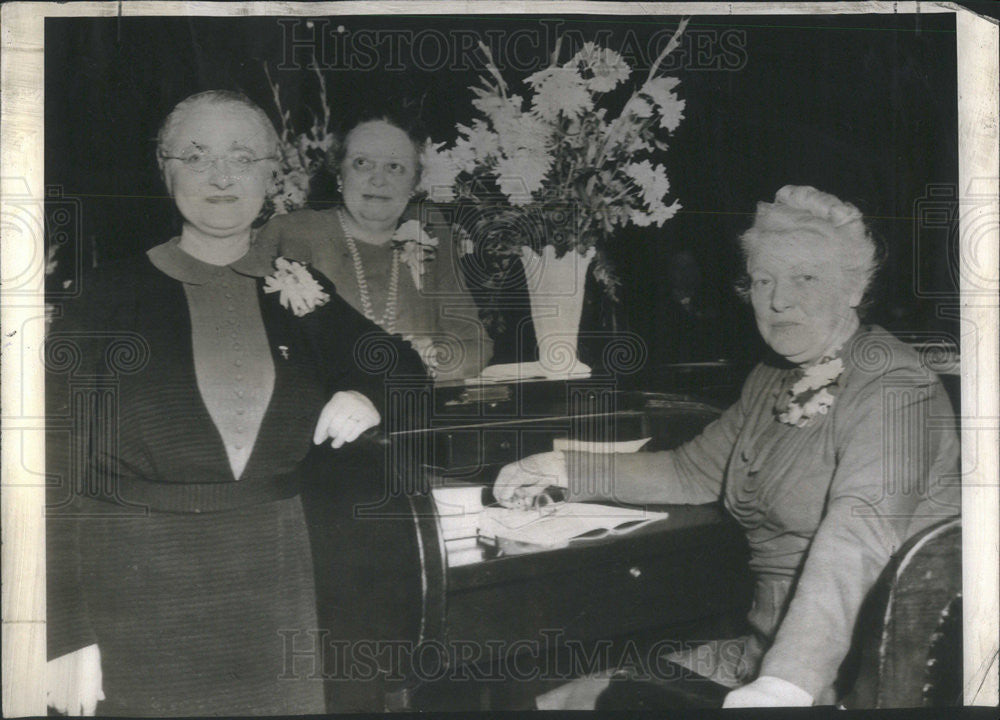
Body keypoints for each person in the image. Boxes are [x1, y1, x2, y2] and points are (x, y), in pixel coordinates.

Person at [494, 185, 960, 708]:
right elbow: (691, 471)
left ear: (853, 288)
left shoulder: (892, 383)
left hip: (856, 676)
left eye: (805, 277)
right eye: (764, 280)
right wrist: (561, 467)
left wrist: (785, 685)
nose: (779, 300)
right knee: (558, 702)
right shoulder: (772, 376)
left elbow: (860, 534)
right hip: (759, 652)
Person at [44, 90, 425, 716]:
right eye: (195, 156)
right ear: (164, 171)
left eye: (243, 157)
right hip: (139, 593)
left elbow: (405, 372)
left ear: (272, 173)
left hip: (280, 585)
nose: (221, 176)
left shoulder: (296, 285)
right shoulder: (104, 298)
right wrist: (66, 637)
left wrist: (366, 392)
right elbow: (53, 469)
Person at [256, 108, 492, 382]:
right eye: (362, 163)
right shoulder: (291, 232)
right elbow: (253, 348)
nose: (378, 180)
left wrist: (423, 362)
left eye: (394, 167)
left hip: (414, 411)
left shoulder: (431, 230)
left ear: (413, 182)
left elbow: (476, 347)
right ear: (339, 174)